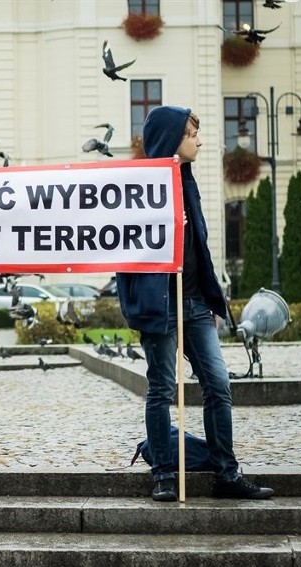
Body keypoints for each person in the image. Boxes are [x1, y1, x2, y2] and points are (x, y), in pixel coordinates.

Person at [115, 106, 273, 502]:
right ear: (172, 140)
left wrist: (212, 295)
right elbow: (119, 251)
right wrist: (138, 306)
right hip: (160, 306)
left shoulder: (188, 183)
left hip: (195, 304)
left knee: (219, 384)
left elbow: (198, 247)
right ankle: (164, 473)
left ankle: (227, 472)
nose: (199, 140)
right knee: (161, 388)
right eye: (191, 134)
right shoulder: (137, 187)